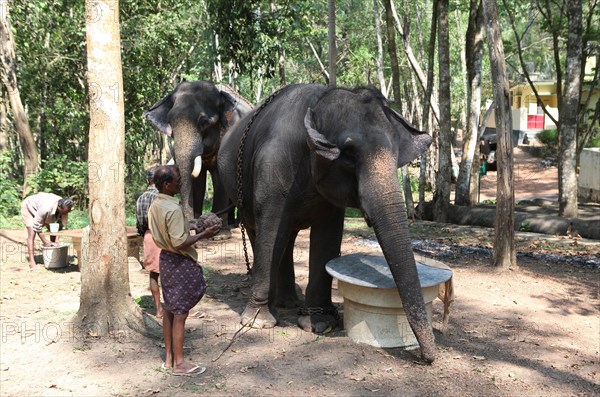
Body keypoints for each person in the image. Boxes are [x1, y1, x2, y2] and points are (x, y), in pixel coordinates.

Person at [148, 165, 220, 376]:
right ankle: (180, 364)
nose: (181, 181)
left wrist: (192, 224)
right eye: (178, 179)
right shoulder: (172, 208)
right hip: (179, 262)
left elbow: (172, 231)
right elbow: (179, 242)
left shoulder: (157, 204)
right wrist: (204, 234)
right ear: (168, 184)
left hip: (166, 261)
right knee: (181, 313)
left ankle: (169, 359)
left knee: (170, 309)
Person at [136, 166, 163, 318]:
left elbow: (139, 223)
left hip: (148, 236)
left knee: (154, 274)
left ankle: (158, 309)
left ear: (148, 180)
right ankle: (173, 308)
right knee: (169, 273)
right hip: (163, 237)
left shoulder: (141, 198)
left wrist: (144, 234)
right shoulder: (162, 197)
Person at [21, 193, 73, 270]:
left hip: (44, 206)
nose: (65, 214)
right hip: (29, 206)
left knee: (52, 228)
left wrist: (56, 240)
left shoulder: (65, 205)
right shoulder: (45, 208)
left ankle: (55, 258)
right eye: (63, 212)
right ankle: (32, 262)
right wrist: (45, 241)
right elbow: (37, 226)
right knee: (32, 233)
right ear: (59, 207)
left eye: (66, 213)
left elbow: (58, 225)